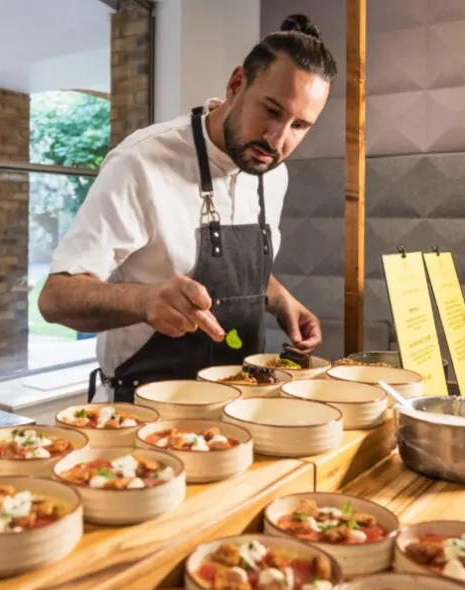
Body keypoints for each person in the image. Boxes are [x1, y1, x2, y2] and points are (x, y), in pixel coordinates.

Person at [39, 14, 337, 402]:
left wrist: (278, 298)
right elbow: (55, 298)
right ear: (235, 85)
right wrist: (144, 302)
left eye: (300, 126)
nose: (277, 139)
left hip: (244, 409)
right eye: (272, 110)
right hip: (144, 415)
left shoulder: (272, 173)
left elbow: (229, 266)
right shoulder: (141, 162)